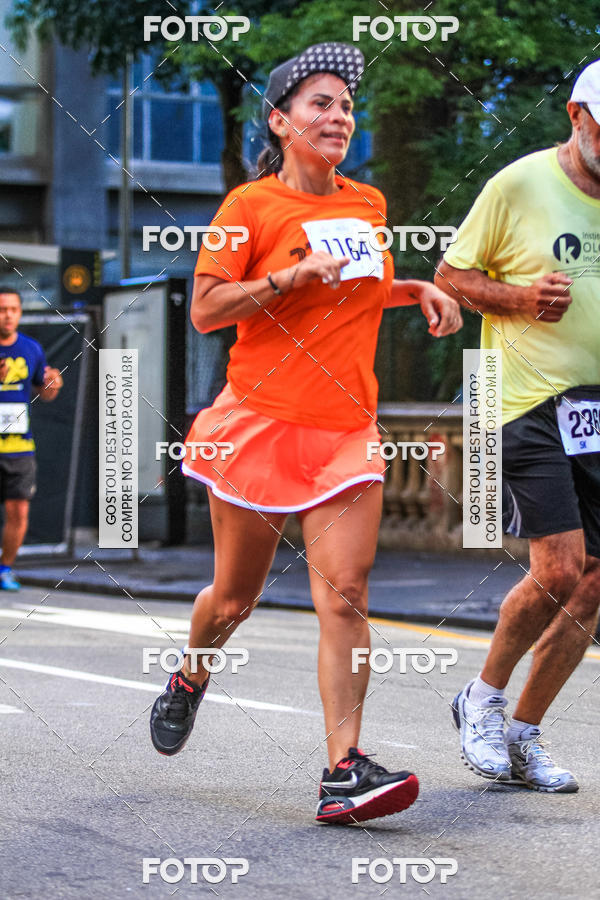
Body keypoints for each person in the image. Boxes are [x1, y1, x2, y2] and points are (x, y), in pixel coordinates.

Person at [150, 42, 462, 824]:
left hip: (345, 430)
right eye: (321, 103)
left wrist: (412, 286)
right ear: (280, 120)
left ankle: (343, 770)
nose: (339, 117)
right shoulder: (245, 209)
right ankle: (191, 673)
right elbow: (207, 308)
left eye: (346, 106)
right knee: (231, 601)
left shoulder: (368, 203)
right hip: (260, 424)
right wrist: (284, 277)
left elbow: (352, 293)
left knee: (347, 596)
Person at [435, 59, 600, 793]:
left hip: (598, 408)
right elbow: (453, 279)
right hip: (523, 399)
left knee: (595, 585)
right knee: (560, 568)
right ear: (578, 116)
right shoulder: (519, 184)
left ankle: (526, 735)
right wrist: (523, 299)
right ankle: (483, 697)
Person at [0, 288, 63, 590]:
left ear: (20, 313)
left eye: (13, 309)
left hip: (19, 447)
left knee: (19, 510)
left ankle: (5, 568)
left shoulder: (31, 349)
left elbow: (45, 391)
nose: (8, 315)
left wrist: (53, 384)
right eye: (2, 309)